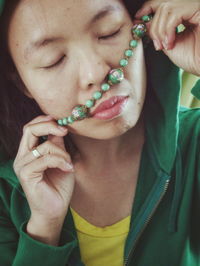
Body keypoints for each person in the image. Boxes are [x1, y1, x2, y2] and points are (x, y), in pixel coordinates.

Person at [0, 0, 199, 265]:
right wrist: (43, 233)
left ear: (141, 28)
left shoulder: (194, 142)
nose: (96, 73)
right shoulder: (5, 195)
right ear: (22, 83)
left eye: (109, 32)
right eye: (53, 60)